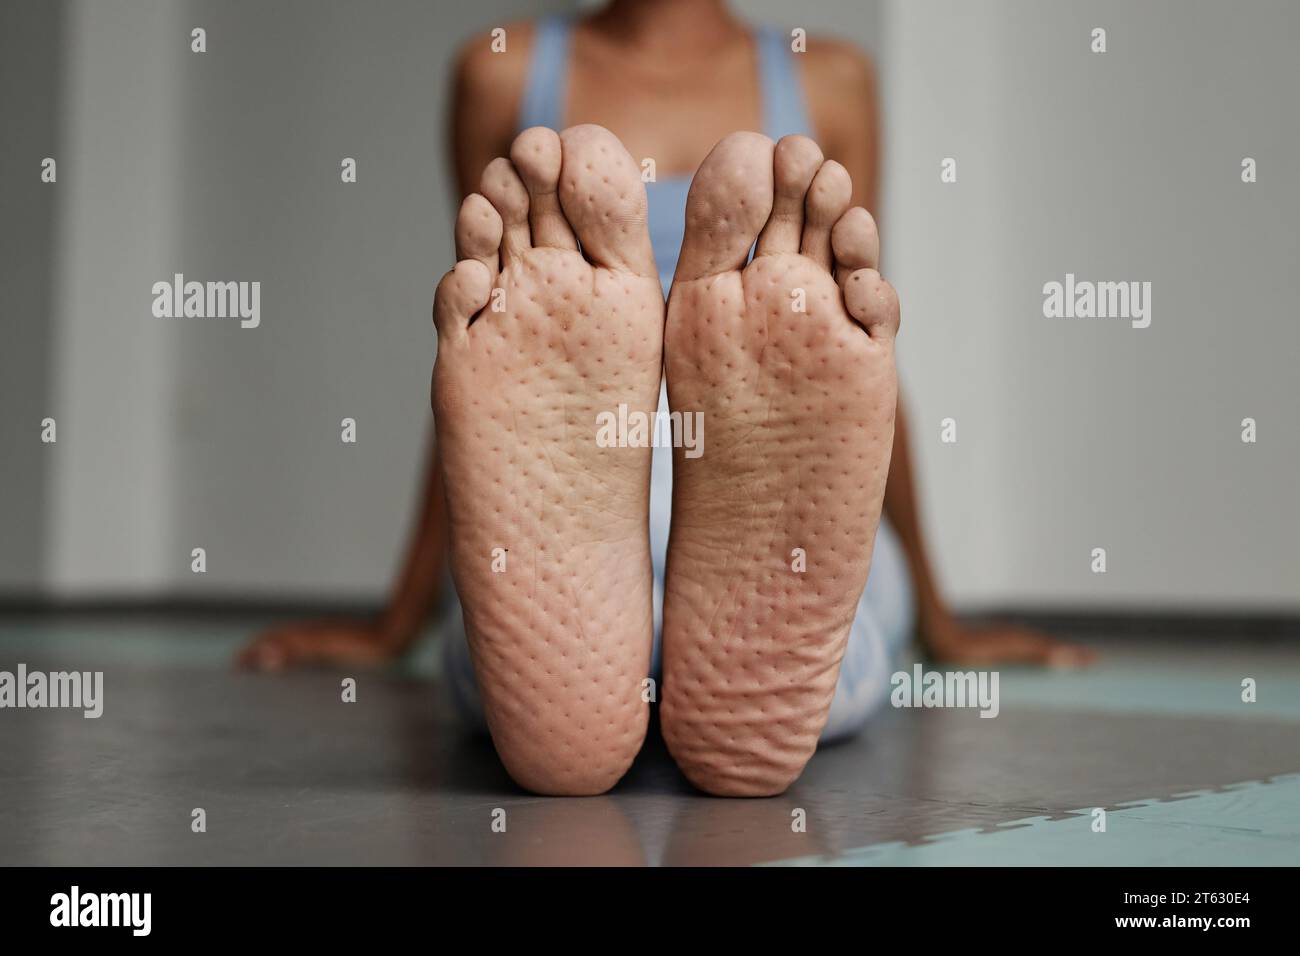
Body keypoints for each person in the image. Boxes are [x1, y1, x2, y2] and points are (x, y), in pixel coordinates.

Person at [240, 0, 1093, 795]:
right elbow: (485, 386)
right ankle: (725, 691)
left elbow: (856, 370)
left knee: (524, 645)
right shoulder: (503, 74)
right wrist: (933, 620)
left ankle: (567, 693)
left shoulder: (825, 79)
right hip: (579, 484)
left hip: (751, 481)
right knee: (854, 615)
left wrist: (409, 624)